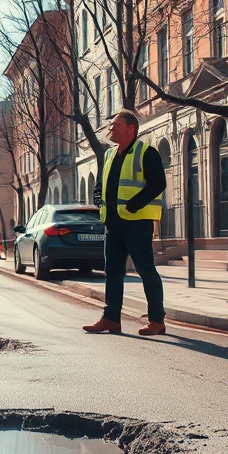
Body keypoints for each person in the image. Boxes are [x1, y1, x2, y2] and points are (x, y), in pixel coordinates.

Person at [84, 109, 167, 336]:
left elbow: (158, 183)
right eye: (111, 125)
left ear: (131, 128)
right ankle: (111, 318)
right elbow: (100, 184)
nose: (111, 128)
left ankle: (157, 320)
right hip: (112, 222)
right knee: (112, 270)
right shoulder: (109, 155)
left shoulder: (146, 152)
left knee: (145, 269)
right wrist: (99, 201)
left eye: (116, 125)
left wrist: (134, 205)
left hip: (136, 222)